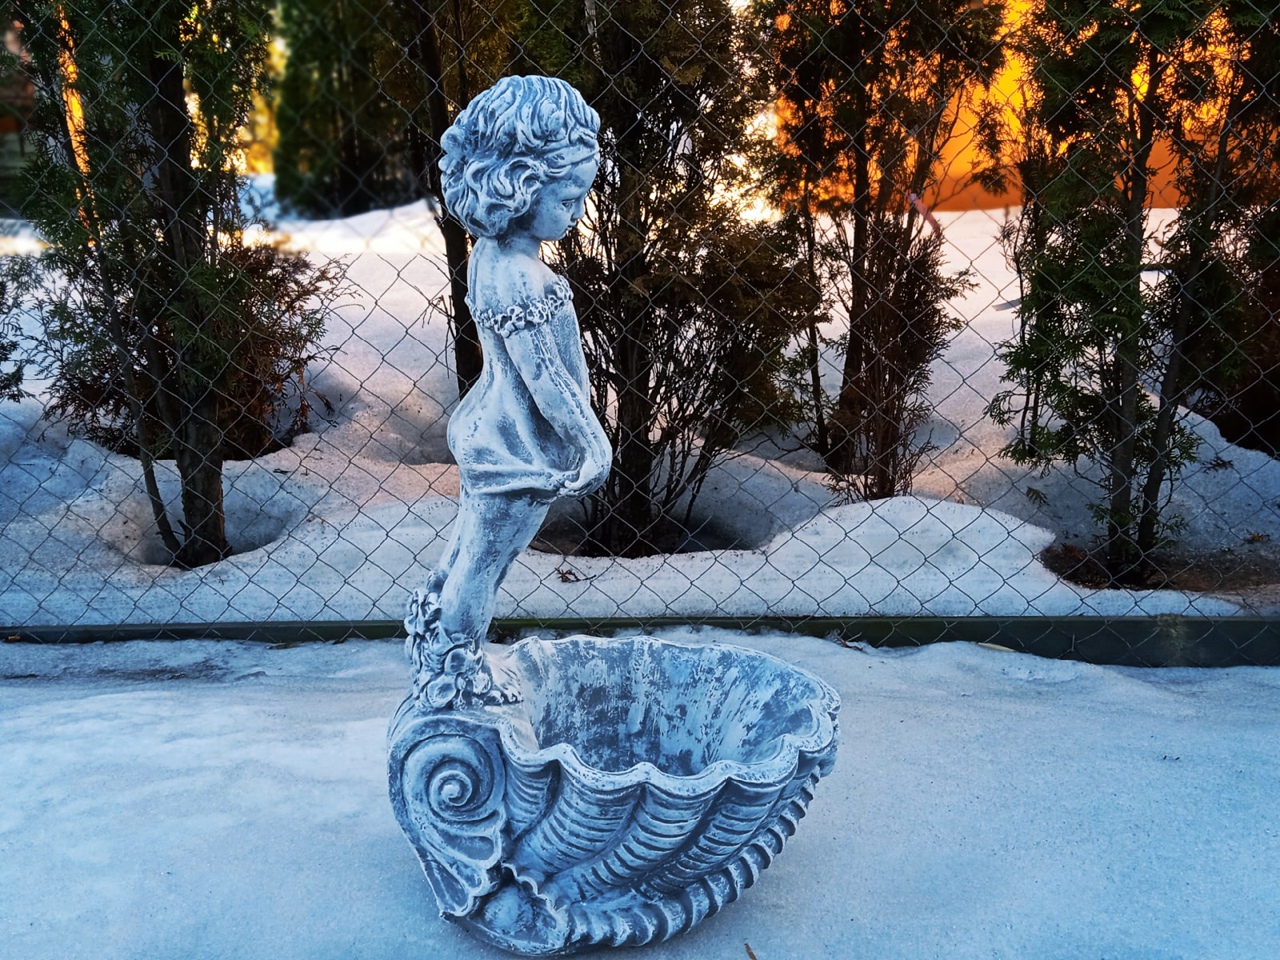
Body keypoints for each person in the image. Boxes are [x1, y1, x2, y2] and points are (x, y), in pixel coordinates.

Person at [405, 75, 611, 708]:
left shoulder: (487, 258)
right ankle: (457, 674)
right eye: (569, 196)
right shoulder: (524, 278)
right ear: (519, 186)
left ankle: (434, 637)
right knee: (486, 562)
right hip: (517, 446)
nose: (578, 212)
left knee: (469, 548)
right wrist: (593, 442)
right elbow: (546, 379)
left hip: (492, 429)